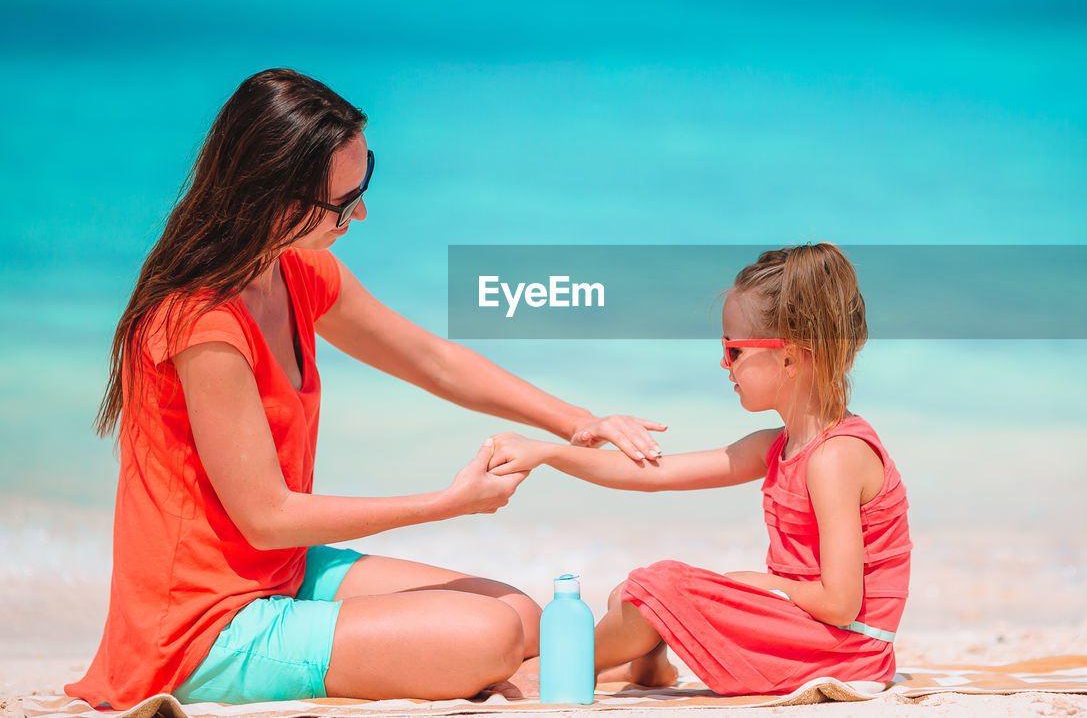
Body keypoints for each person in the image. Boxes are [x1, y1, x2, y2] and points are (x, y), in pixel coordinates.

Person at [66, 68, 666, 709]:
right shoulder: (203, 324)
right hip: (200, 630)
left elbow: (431, 361)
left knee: (516, 611)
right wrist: (449, 502)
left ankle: (552, 668)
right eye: (344, 200)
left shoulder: (295, 271)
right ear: (276, 197)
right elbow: (268, 519)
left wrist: (578, 422)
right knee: (488, 634)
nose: (361, 211)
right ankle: (556, 669)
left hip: (278, 576)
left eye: (365, 180)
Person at [488, 243, 911, 695]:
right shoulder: (777, 446)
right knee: (630, 595)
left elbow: (841, 603)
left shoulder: (834, 458)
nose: (724, 363)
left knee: (660, 588)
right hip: (807, 631)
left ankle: (549, 670)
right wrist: (549, 453)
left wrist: (757, 584)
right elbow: (657, 475)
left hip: (846, 651)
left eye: (734, 350)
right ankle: (645, 666)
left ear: (788, 358)